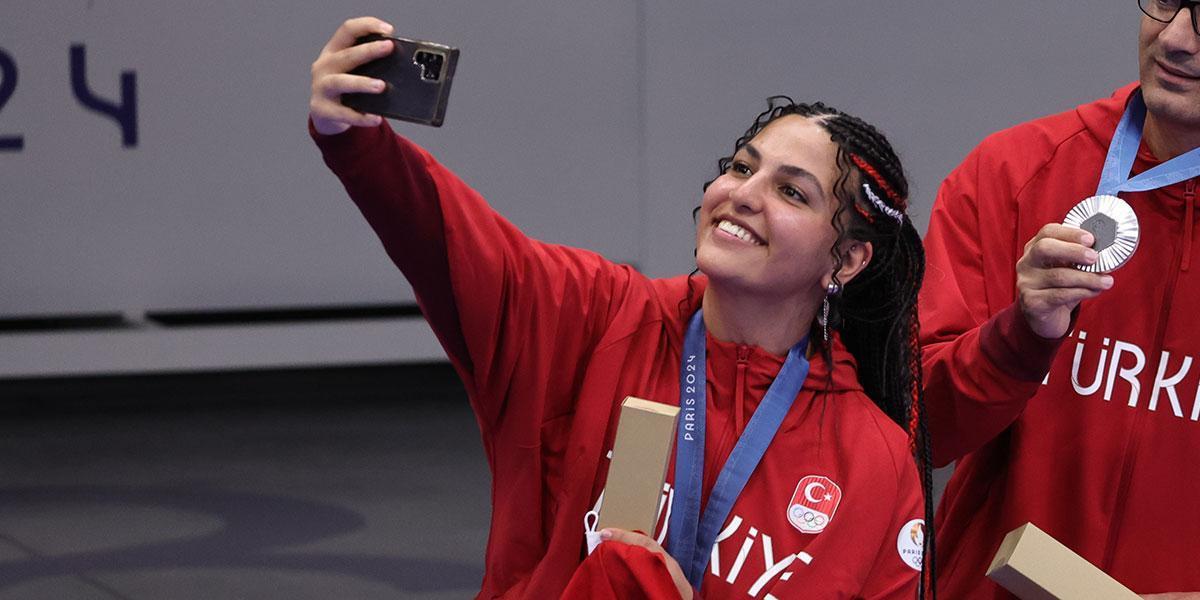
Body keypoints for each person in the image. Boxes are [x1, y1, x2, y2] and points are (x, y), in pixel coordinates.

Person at [310, 17, 935, 599]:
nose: (743, 194)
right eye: (742, 166)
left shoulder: (873, 462)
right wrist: (359, 142)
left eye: (791, 192)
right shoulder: (597, 319)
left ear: (846, 260)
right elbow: (455, 242)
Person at [920, 1, 1200, 598]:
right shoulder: (1012, 172)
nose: (1175, 37)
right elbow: (918, 431)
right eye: (1167, 0)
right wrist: (1016, 339)